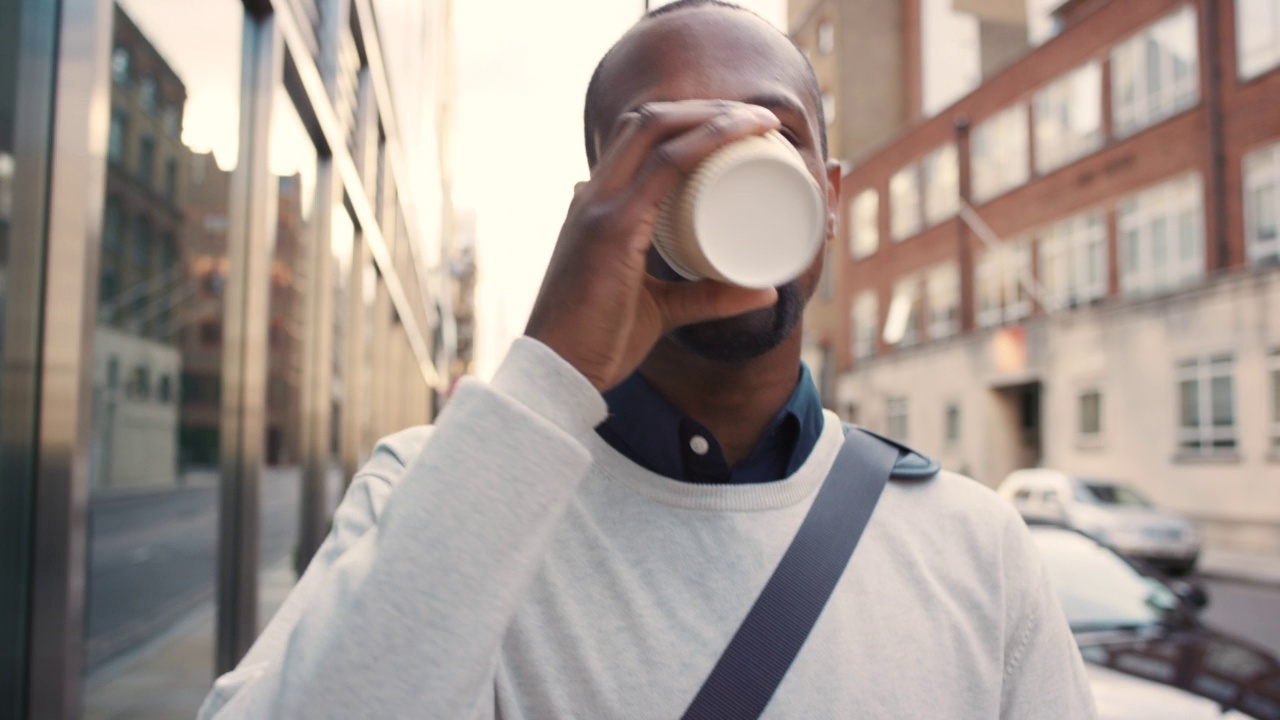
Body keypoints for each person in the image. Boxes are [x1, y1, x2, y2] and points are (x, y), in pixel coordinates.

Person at [198, 1, 1096, 717]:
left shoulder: (972, 546)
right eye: (661, 145)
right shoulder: (438, 492)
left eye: (772, 138)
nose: (726, 171)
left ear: (824, 197)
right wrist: (550, 373)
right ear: (599, 207)